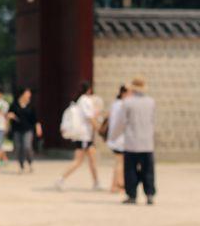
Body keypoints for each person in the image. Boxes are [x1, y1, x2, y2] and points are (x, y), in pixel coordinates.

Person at [109, 77, 157, 205]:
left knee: (130, 170)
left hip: (131, 142)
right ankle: (150, 194)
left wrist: (112, 137)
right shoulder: (151, 102)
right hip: (147, 143)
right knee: (148, 170)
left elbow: (121, 123)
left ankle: (132, 195)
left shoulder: (127, 103)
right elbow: (153, 121)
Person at [56, 81, 100, 190]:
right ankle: (61, 179)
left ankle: (96, 182)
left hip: (84, 136)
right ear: (89, 89)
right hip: (84, 135)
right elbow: (89, 117)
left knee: (91, 159)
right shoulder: (85, 100)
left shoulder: (79, 101)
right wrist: (99, 128)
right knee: (79, 160)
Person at [7, 87, 42, 173]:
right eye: (27, 93)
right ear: (22, 94)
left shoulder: (31, 105)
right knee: (18, 148)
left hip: (28, 129)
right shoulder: (14, 105)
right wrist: (10, 116)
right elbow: (8, 114)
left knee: (27, 146)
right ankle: (21, 165)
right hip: (17, 129)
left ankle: (30, 162)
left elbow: (35, 118)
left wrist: (38, 127)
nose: (29, 95)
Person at [105, 86, 128, 193]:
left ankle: (114, 185)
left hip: (115, 138)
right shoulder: (122, 105)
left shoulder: (115, 104)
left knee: (118, 162)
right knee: (120, 162)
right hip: (120, 139)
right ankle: (119, 185)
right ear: (123, 93)